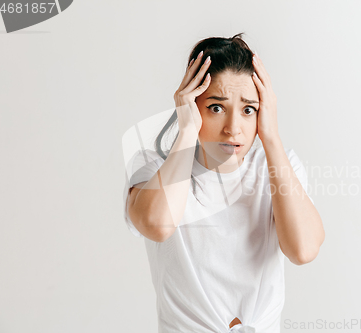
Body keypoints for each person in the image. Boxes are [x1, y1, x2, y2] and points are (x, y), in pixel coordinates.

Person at [122, 33, 325, 333]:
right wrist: (186, 129)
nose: (233, 129)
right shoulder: (153, 166)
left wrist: (271, 138)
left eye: (248, 110)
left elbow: (303, 250)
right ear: (193, 105)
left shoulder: (279, 166)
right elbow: (157, 225)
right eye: (216, 107)